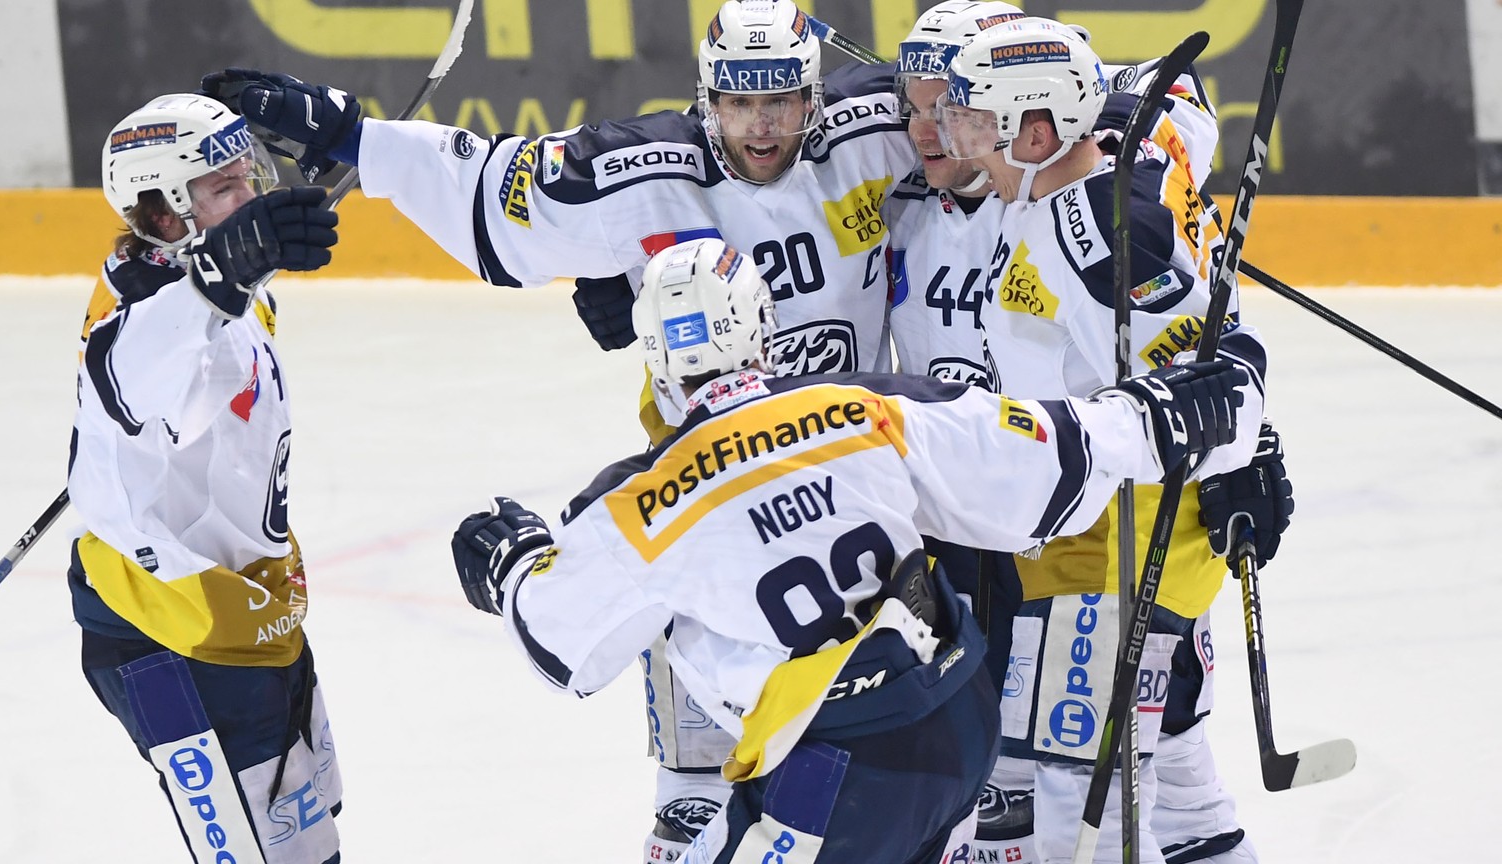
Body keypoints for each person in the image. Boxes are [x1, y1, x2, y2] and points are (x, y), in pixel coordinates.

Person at [201, 3, 919, 858]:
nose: (760, 128)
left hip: (853, 485)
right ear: (705, 97)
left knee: (873, 749)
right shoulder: (638, 168)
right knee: (695, 794)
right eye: (736, 103)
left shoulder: (880, 129)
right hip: (704, 492)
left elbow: (985, 108)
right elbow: (490, 186)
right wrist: (349, 134)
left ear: (815, 96)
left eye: (781, 103)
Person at [449, 237, 1249, 864]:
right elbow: (1051, 456)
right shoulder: (866, 406)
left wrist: (512, 560)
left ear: (654, 356)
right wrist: (1164, 413)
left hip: (838, 773)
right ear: (762, 327)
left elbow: (560, 647)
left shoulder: (638, 500)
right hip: (961, 717)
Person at [930, 19, 1283, 864]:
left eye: (976, 118)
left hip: (1115, 553)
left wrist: (1250, 448)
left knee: (1078, 815)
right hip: (1084, 545)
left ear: (1038, 131)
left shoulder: (1088, 236)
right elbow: (1174, 90)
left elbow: (1222, 377)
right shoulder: (1073, 182)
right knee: (1175, 790)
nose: (953, 130)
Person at [68, 92, 343, 864]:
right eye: (225, 190)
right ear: (161, 214)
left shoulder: (210, 275)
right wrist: (221, 278)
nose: (250, 198)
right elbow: (130, 371)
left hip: (253, 604)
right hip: (174, 625)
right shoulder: (150, 304)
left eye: (245, 176)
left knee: (309, 830)